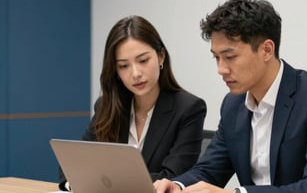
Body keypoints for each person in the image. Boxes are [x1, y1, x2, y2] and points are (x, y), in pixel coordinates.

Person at [154, 0, 307, 193]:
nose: (221, 69)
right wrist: (176, 185)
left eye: (230, 57)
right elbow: (209, 170)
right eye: (216, 58)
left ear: (267, 50)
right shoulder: (233, 104)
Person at [58, 15, 207, 191]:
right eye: (123, 66)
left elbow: (171, 177)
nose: (135, 73)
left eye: (143, 61)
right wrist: (76, 182)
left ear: (161, 57)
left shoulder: (189, 108)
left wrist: (98, 181)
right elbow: (72, 165)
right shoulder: (106, 106)